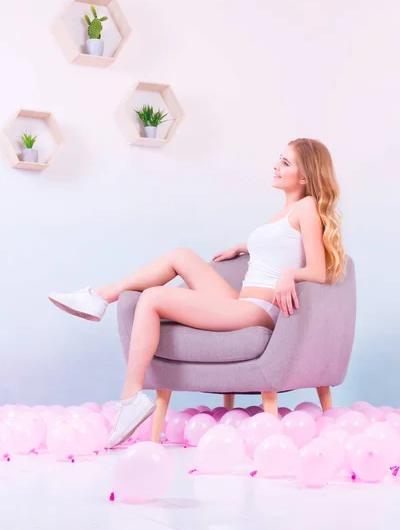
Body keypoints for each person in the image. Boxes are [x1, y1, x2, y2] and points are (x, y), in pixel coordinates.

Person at [48, 138, 346, 448]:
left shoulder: (307, 207)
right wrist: (244, 247)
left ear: (305, 176)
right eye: (278, 159)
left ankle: (131, 398)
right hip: (242, 301)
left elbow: (318, 270)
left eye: (285, 163)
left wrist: (290, 274)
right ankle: (100, 296)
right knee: (181, 255)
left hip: (257, 309)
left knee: (152, 298)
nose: (275, 165)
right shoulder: (285, 211)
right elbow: (282, 245)